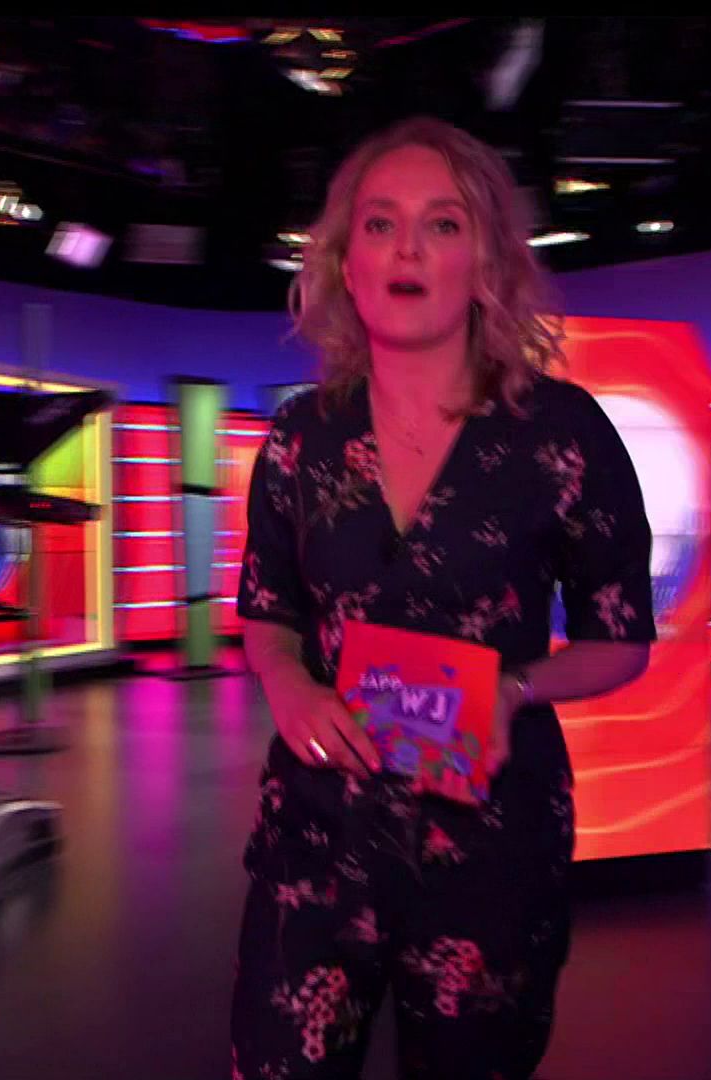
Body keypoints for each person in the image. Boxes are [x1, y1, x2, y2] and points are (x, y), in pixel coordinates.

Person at [230, 117, 656, 1080]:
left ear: (488, 261)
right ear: (345, 261)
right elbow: (267, 611)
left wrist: (514, 690)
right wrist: (288, 686)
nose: (408, 250)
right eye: (380, 224)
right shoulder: (300, 435)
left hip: (492, 849)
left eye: (443, 224)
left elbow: (620, 639)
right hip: (317, 837)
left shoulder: (563, 433)